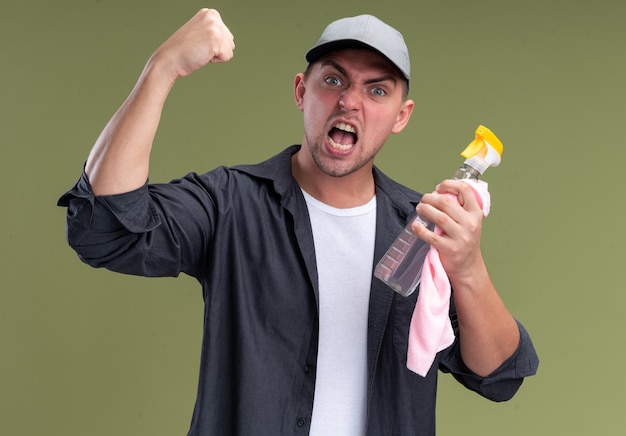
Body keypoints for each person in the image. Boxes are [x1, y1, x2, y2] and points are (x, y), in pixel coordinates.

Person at [58, 8, 538, 436]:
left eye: (377, 90)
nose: (351, 101)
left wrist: (469, 268)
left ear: (400, 116)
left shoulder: (421, 230)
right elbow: (106, 227)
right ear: (300, 90)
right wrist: (160, 69)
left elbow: (498, 376)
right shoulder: (231, 203)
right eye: (334, 80)